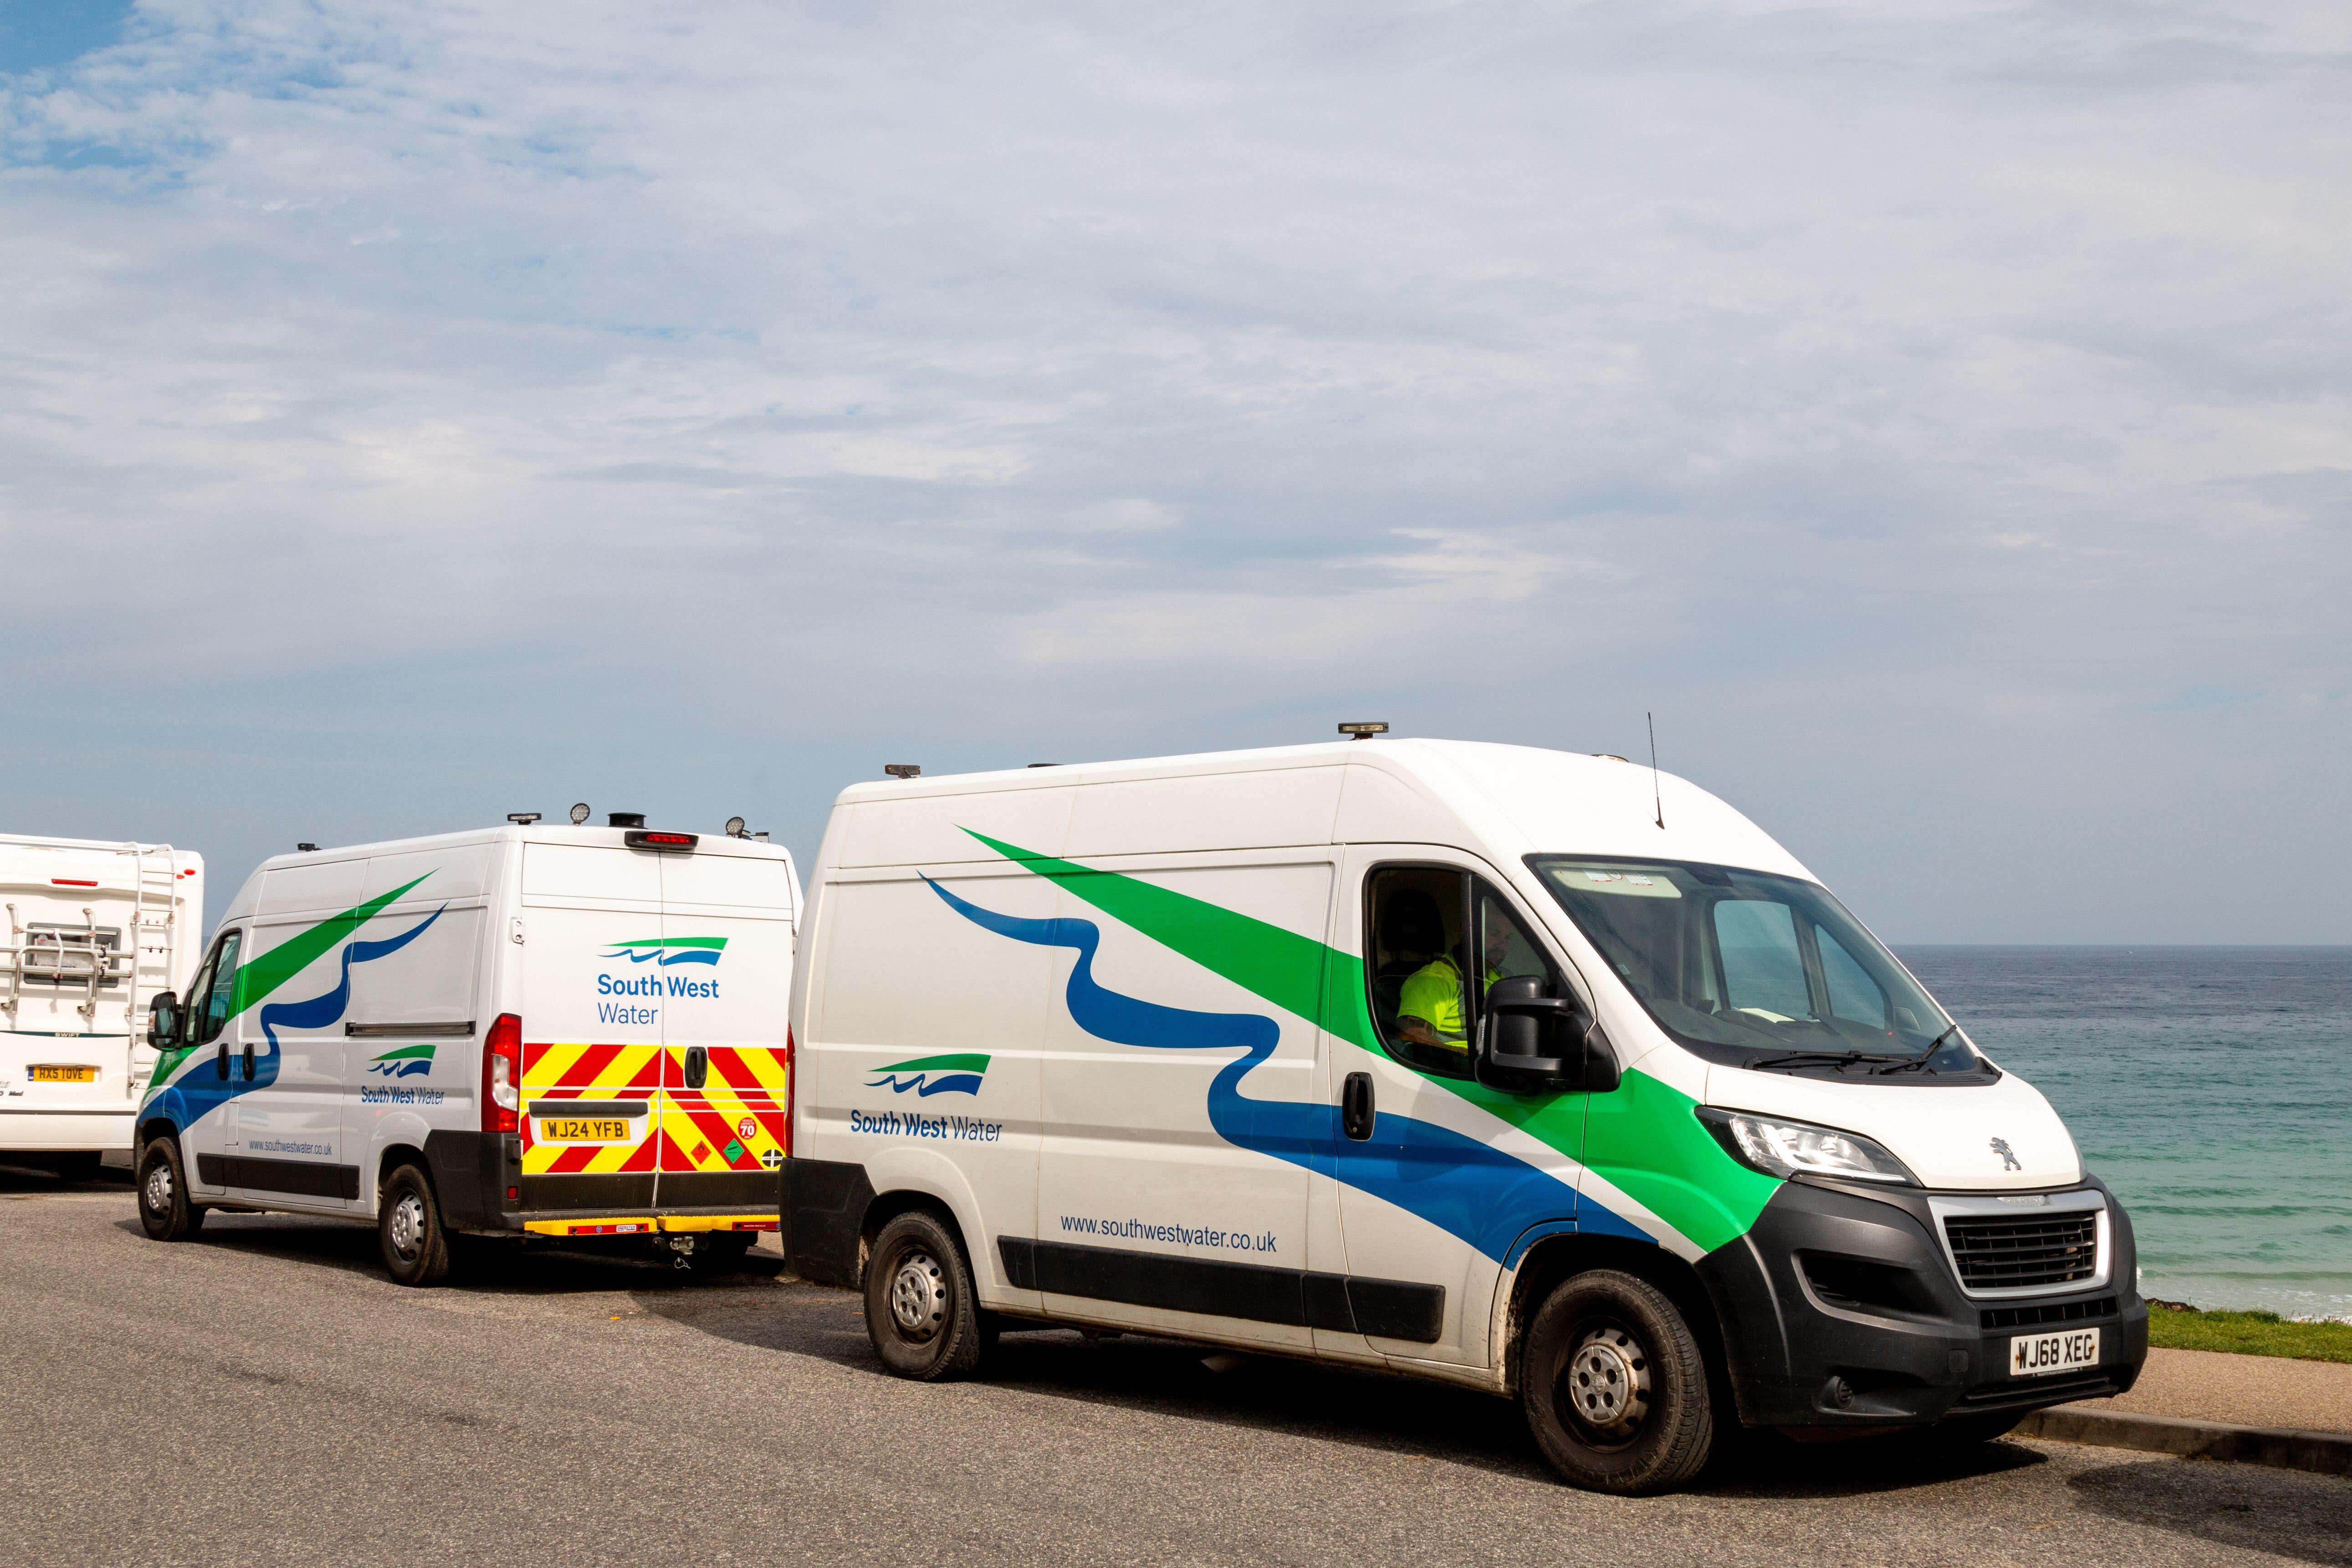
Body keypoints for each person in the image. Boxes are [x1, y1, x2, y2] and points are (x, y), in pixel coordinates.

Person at [1396, 910, 1509, 1059]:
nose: (1502, 945)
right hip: (1454, 1074)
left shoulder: (1499, 977)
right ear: (1467, 929)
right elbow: (1412, 1040)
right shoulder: (1435, 979)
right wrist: (1475, 1059)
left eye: (1508, 938)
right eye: (1494, 934)